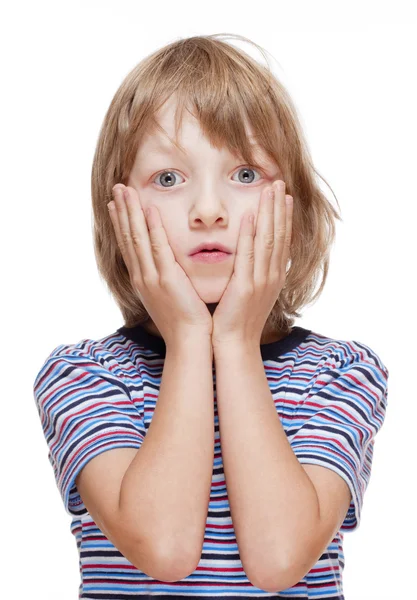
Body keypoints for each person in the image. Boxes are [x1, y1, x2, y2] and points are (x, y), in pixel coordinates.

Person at [33, 33, 389, 597]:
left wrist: (237, 343)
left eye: (245, 175)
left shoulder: (342, 372)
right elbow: (165, 547)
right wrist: (190, 335)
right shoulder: (84, 375)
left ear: (294, 210)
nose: (207, 211)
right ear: (117, 211)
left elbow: (278, 560)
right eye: (168, 179)